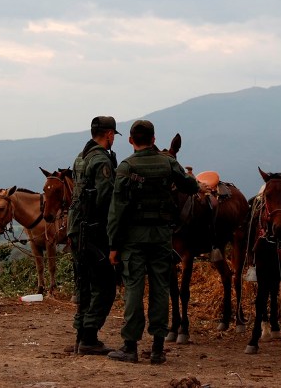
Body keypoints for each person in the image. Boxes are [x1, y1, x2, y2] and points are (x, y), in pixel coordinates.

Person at [106, 120, 200, 364]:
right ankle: (158, 348)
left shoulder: (126, 167)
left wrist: (114, 246)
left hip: (133, 240)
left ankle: (130, 347)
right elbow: (191, 187)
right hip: (161, 238)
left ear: (130, 140)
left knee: (134, 290)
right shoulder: (168, 162)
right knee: (160, 289)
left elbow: (116, 210)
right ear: (154, 139)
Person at [66, 115, 120, 355]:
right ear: (109, 134)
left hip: (76, 229)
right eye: (112, 136)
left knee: (84, 284)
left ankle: (80, 337)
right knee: (106, 285)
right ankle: (89, 337)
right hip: (94, 231)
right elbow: (106, 198)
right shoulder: (101, 161)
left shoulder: (80, 157)